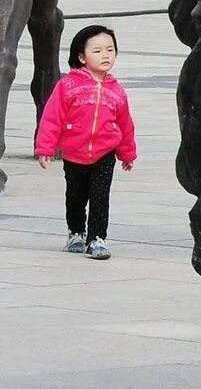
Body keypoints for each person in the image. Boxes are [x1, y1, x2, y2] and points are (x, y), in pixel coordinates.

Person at [35, 23, 137, 259]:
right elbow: (52, 118)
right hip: (74, 153)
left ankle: (97, 239)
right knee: (76, 196)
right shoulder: (68, 86)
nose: (105, 55)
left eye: (110, 50)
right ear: (81, 57)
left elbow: (125, 124)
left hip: (104, 153)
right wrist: (45, 148)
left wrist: (127, 153)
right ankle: (76, 232)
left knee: (100, 197)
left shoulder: (117, 91)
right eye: (98, 50)